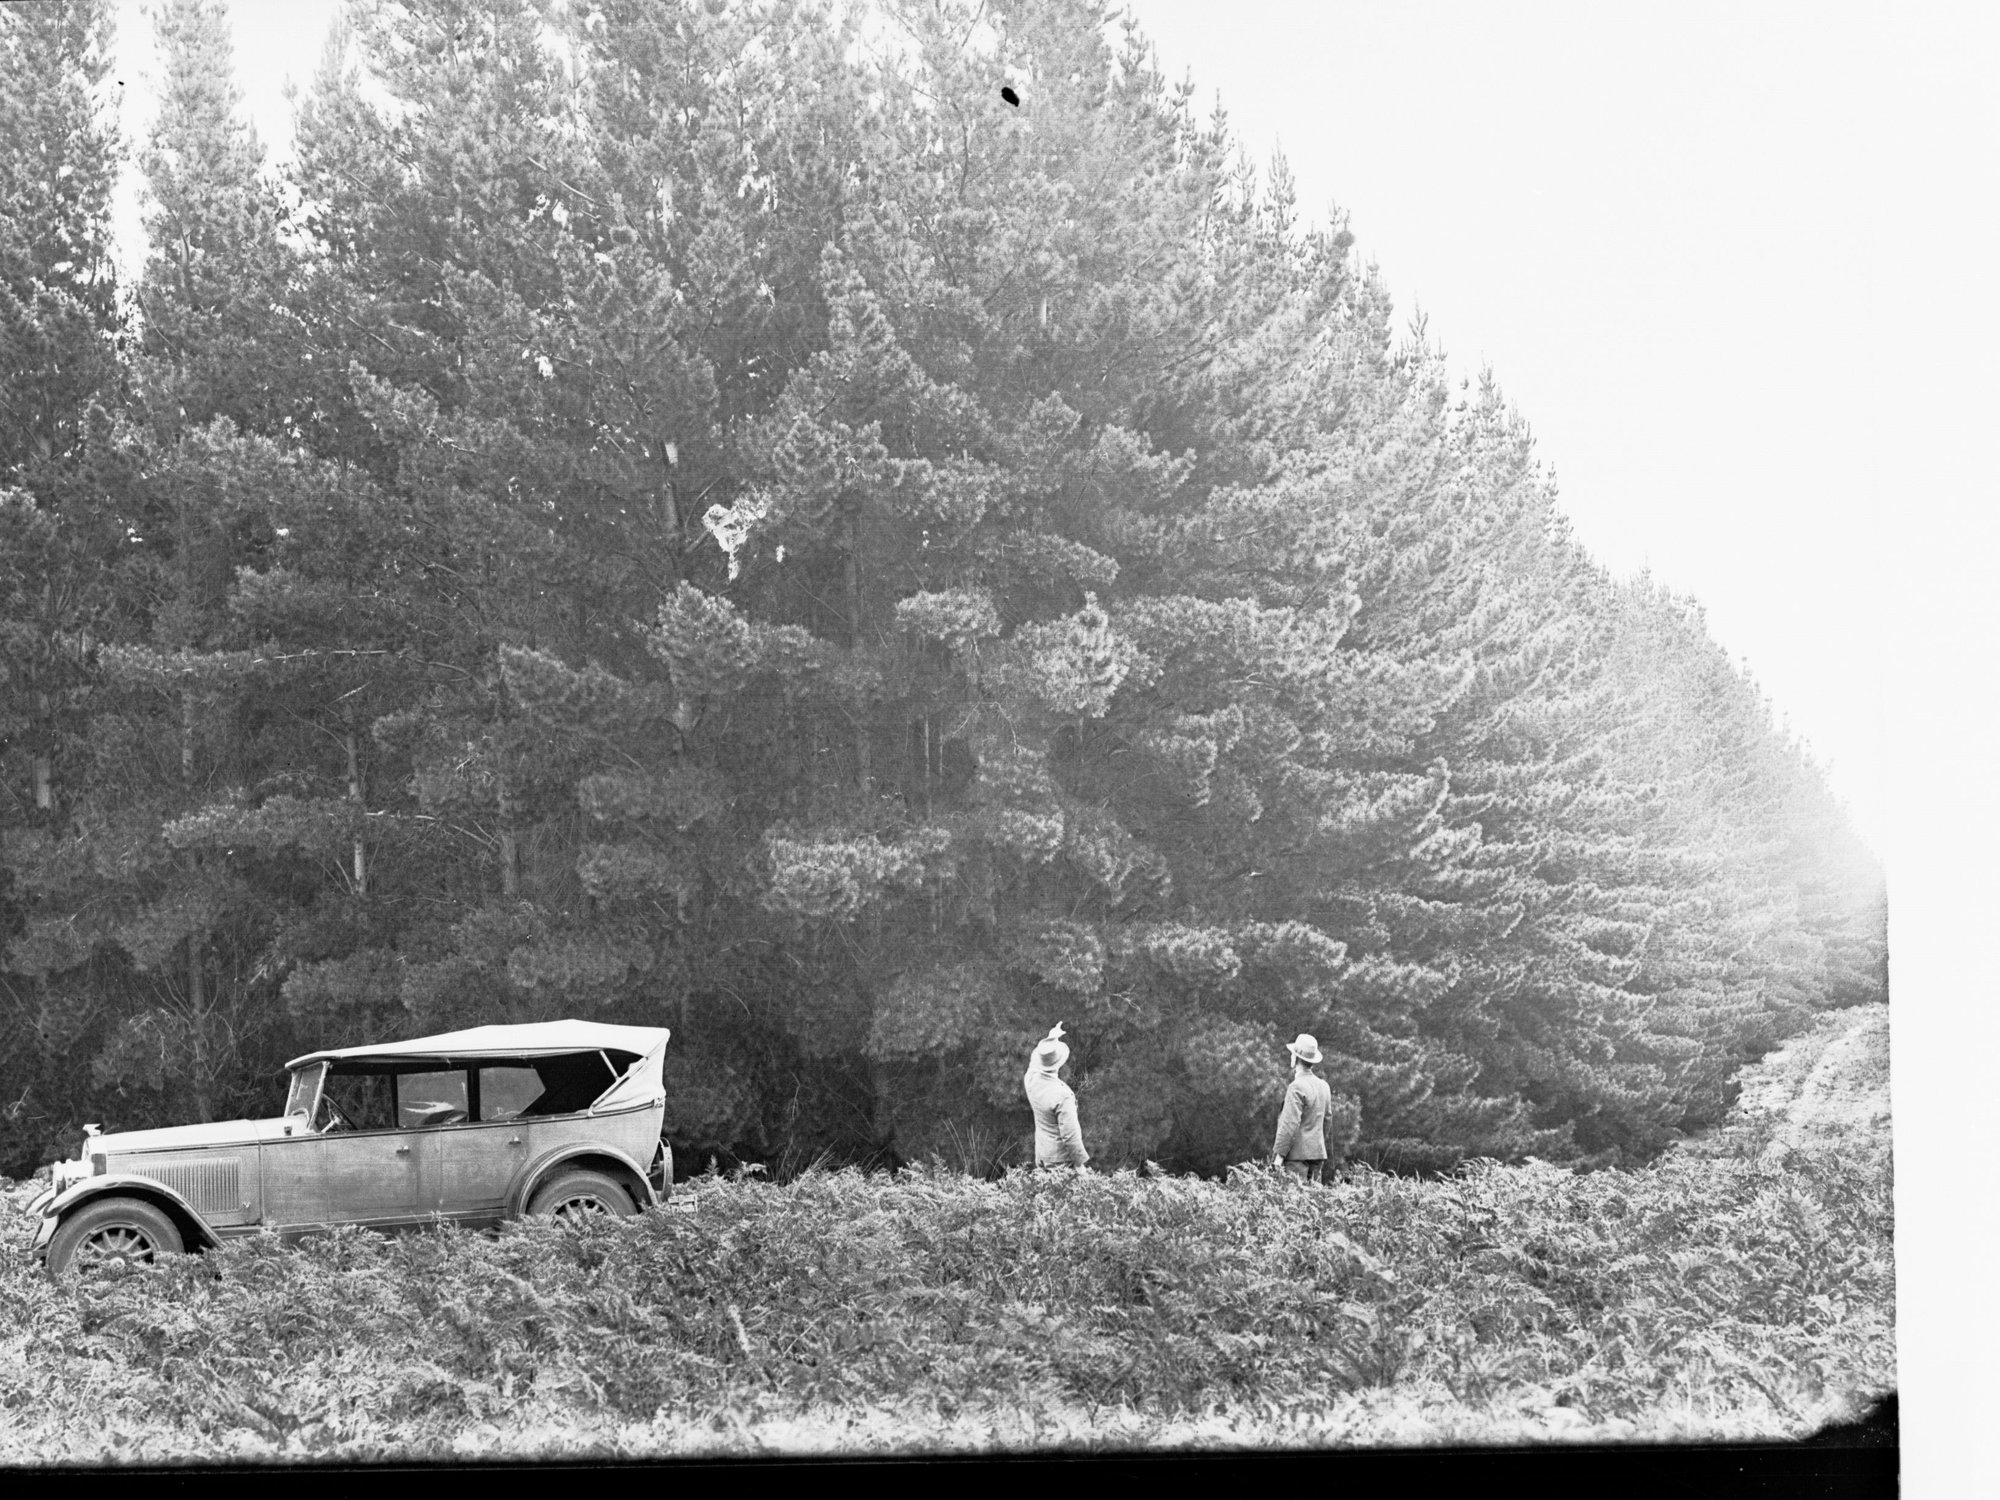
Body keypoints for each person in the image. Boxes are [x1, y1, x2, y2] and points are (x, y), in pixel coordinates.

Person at [1023, 1023, 1089, 1169]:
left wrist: (1050, 1039)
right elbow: (1070, 1136)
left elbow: (1034, 1064)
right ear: (1059, 1062)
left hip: (1042, 1157)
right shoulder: (1062, 1095)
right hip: (1061, 1164)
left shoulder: (1030, 1080)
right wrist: (1079, 1165)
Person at [1272, 1032, 1333, 1183]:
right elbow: (1327, 1122)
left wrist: (1278, 1158)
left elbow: (1289, 1125)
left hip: (1296, 1159)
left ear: (1295, 1058)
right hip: (1318, 1156)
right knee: (1314, 1203)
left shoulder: (1296, 1087)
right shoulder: (1324, 1086)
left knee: (1295, 1203)